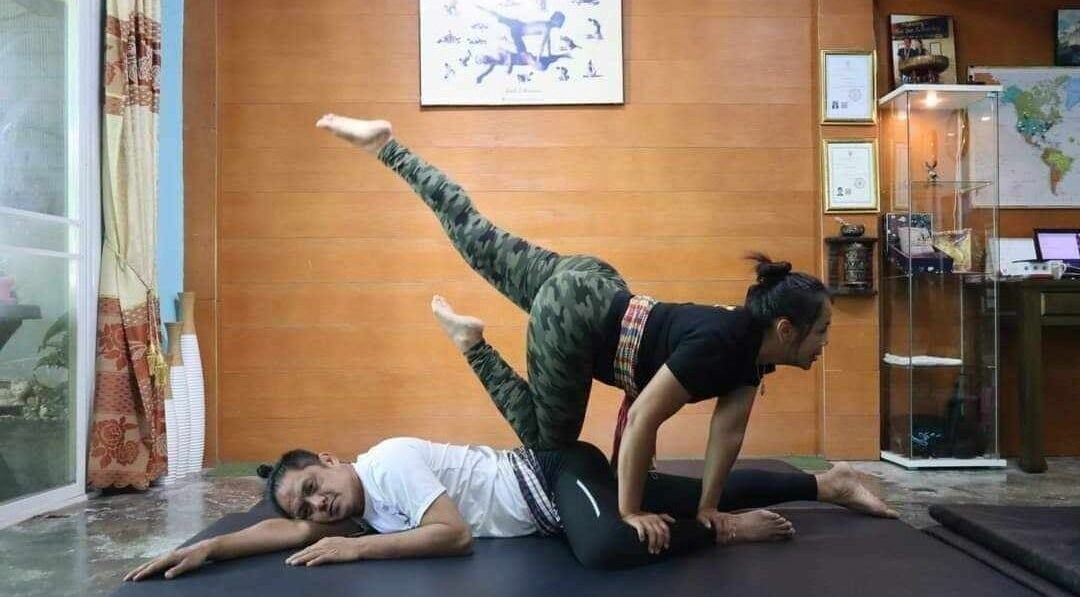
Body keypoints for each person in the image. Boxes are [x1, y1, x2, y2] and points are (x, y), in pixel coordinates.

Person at [311, 115, 836, 550]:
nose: (825, 344)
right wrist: (629, 512)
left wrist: (709, 509)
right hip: (574, 321)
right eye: (822, 332)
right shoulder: (721, 346)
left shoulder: (747, 351)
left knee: (476, 234)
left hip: (590, 279)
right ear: (786, 329)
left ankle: (387, 147)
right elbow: (643, 420)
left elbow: (727, 436)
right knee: (550, 445)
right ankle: (474, 346)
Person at [125, 434, 896, 580]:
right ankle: (825, 484)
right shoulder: (351, 505)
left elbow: (453, 534)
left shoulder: (385, 464)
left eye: (314, 486)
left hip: (556, 473)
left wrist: (355, 548)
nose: (318, 507)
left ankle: (720, 529)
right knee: (680, 489)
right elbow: (280, 529)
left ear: (330, 458)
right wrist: (209, 547)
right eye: (308, 506)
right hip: (557, 503)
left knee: (606, 548)